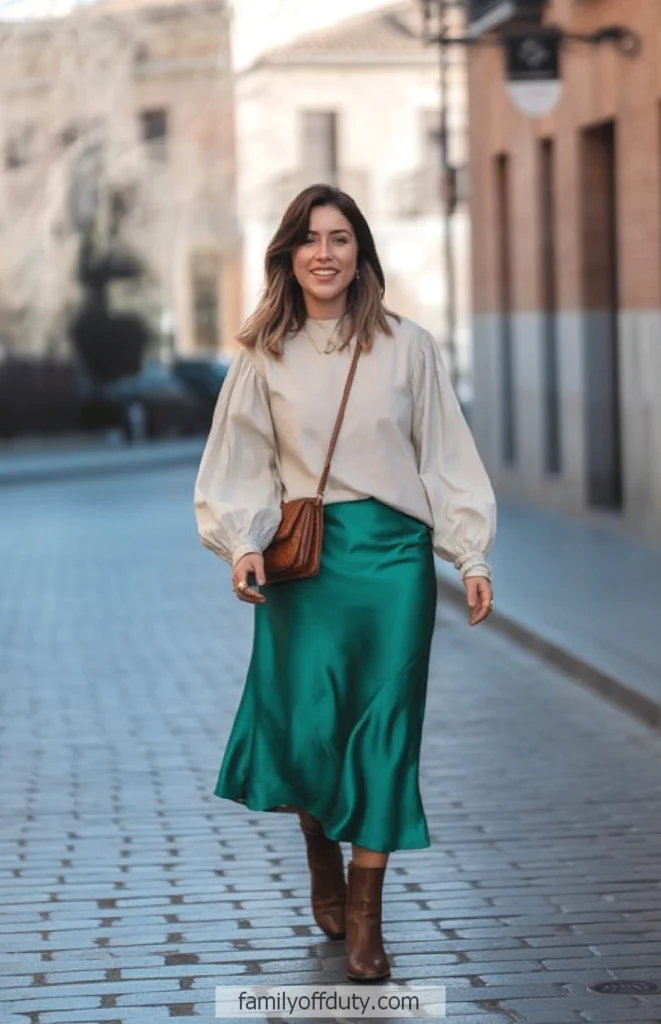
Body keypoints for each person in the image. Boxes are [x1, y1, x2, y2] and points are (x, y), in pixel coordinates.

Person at [194, 183, 496, 982]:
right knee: (307, 731)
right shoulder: (263, 352)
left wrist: (468, 555)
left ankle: (365, 917)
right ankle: (319, 855)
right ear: (288, 254)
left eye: (339, 238)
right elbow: (238, 461)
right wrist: (242, 542)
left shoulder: (408, 346)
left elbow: (446, 456)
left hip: (394, 561)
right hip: (304, 562)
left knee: (384, 729)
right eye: (309, 238)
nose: (323, 253)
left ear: (360, 253)